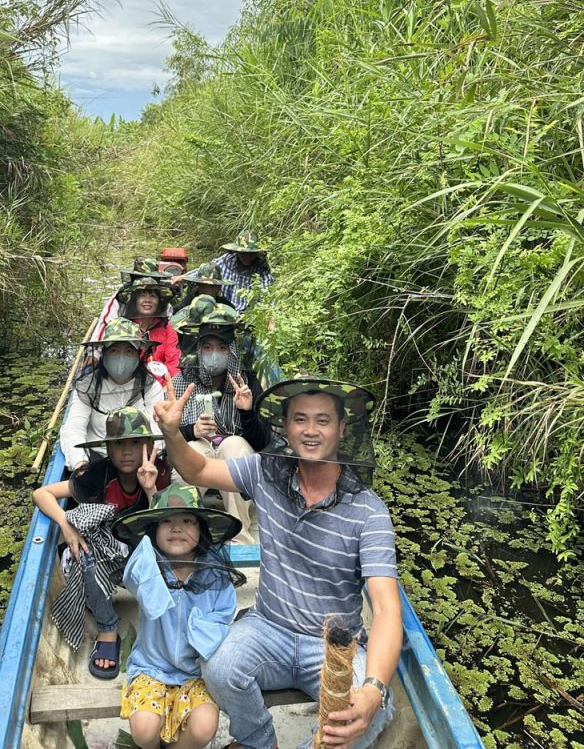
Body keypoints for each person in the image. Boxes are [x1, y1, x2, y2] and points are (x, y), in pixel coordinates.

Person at [154, 374, 402, 749]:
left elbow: (385, 610)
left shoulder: (369, 512)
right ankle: (258, 740)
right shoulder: (265, 473)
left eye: (323, 420)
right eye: (300, 419)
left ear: (341, 428)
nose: (311, 430)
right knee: (219, 667)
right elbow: (199, 471)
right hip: (268, 627)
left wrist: (373, 688)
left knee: (372, 712)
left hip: (333, 649)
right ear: (285, 426)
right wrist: (173, 434)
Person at [33, 406, 170, 677]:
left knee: (178, 540)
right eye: (119, 444)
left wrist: (150, 488)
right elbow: (42, 494)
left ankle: (165, 620)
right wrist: (65, 523)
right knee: (83, 548)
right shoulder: (98, 474)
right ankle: (107, 627)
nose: (128, 451)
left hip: (142, 550)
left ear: (148, 445)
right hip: (104, 555)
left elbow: (166, 520)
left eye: (135, 443)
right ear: (108, 448)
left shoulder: (159, 470)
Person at [112, 482, 244, 749]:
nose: (176, 528)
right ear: (153, 532)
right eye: (166, 522)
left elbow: (222, 620)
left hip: (198, 672)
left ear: (203, 531)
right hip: (152, 667)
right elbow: (132, 576)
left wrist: (198, 627)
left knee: (205, 726)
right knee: (144, 729)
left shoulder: (216, 577)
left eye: (187, 520)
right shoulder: (147, 569)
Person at [173, 306, 268, 544]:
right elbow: (167, 437)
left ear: (232, 351)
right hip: (197, 450)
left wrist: (246, 412)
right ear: (198, 350)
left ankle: (239, 538)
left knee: (236, 446)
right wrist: (190, 430)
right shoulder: (180, 382)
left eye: (222, 348)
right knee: (192, 450)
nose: (214, 354)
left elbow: (263, 443)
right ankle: (184, 536)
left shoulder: (247, 383)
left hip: (232, 451)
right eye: (207, 347)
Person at [60, 319, 165, 474]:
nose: (121, 358)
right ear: (104, 354)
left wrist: (148, 462)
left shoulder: (150, 386)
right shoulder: (88, 386)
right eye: (114, 351)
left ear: (138, 355)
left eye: (129, 351)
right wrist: (80, 464)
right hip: (97, 458)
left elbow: (157, 431)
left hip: (138, 461)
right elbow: (74, 427)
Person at [120, 275, 181, 377]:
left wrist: (170, 385)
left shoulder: (167, 328)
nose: (147, 300)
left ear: (159, 301)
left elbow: (173, 360)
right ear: (135, 300)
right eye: (142, 295)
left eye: (152, 295)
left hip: (163, 385)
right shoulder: (123, 327)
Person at [212, 230, 273, 314]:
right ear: (237, 251)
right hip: (222, 312)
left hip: (247, 317)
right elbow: (201, 273)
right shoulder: (226, 261)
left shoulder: (262, 270)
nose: (247, 257)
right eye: (244, 253)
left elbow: (267, 296)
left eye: (251, 254)